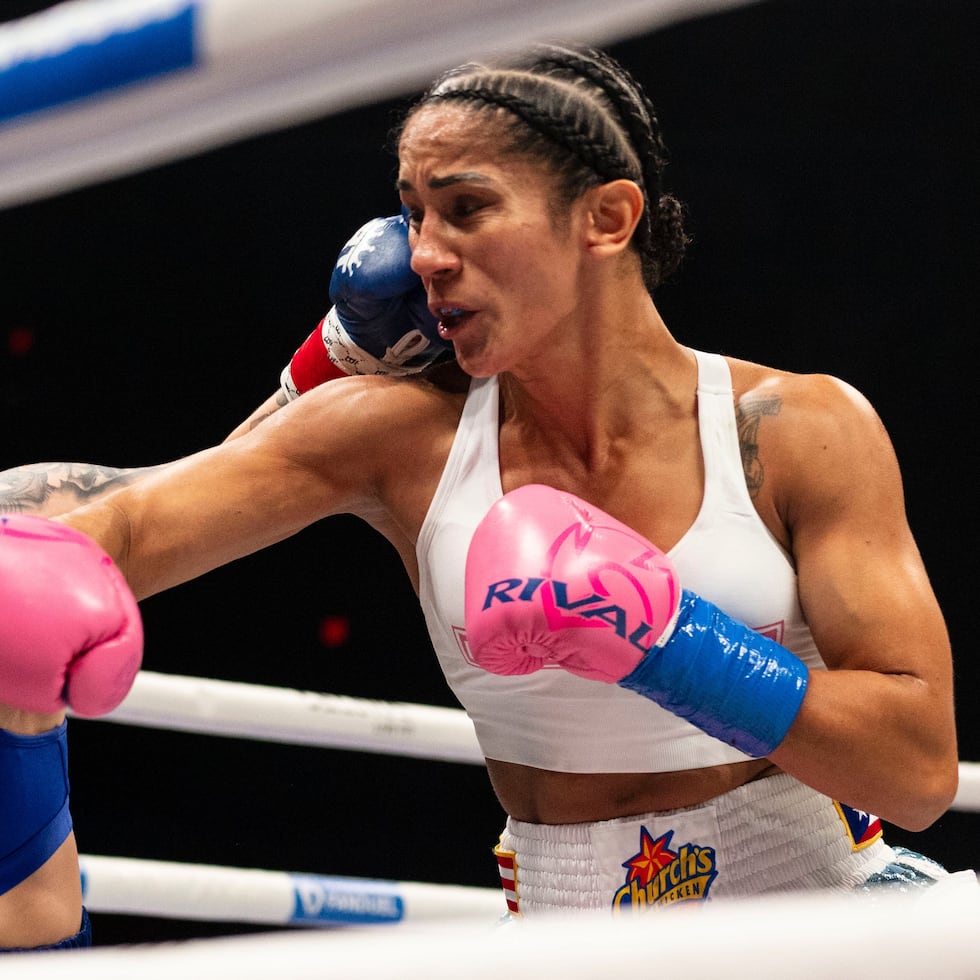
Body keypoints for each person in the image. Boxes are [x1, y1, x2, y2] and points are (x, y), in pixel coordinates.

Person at [0, 43, 970, 948]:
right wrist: (321, 365)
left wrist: (675, 644)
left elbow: (918, 770)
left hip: (824, 930)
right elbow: (110, 519)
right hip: (560, 937)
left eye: (464, 208)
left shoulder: (793, 428)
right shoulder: (398, 436)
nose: (422, 251)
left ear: (605, 217)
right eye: (412, 213)